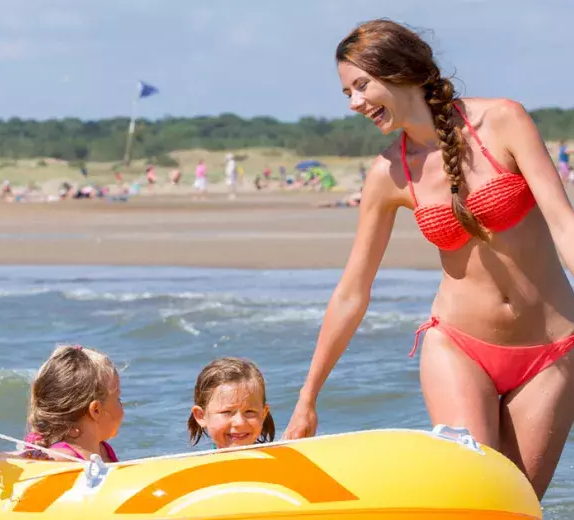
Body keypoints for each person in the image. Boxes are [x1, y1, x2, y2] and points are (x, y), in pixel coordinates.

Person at [282, 18, 574, 501]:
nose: (354, 103)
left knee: (516, 503)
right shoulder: (388, 173)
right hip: (460, 348)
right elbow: (354, 290)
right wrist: (307, 397)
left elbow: (564, 223)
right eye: (346, 93)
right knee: (475, 496)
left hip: (551, 350)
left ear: (400, 71)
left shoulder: (502, 120)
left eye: (361, 86)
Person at [20, 344, 123, 462]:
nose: (122, 405)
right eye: (118, 399)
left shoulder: (104, 450)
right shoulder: (63, 457)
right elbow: (13, 457)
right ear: (96, 410)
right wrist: (32, 459)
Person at [188, 357, 274, 449]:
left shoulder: (281, 461)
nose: (240, 422)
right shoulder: (199, 462)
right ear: (201, 416)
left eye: (249, 411)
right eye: (226, 412)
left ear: (263, 414)